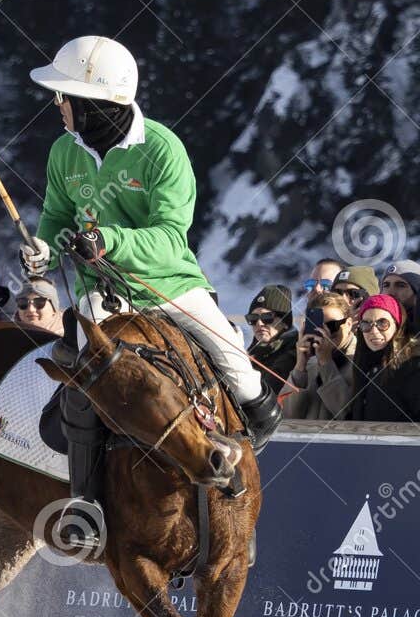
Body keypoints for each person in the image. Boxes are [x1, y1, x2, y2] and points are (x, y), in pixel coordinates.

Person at [19, 35, 282, 552]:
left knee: (242, 376)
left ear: (94, 103)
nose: (57, 106)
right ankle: (87, 504)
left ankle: (237, 500)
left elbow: (169, 236)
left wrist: (108, 239)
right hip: (102, 295)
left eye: (62, 96)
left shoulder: (161, 148)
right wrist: (43, 252)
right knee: (77, 370)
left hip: (168, 286)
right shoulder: (62, 151)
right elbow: (54, 218)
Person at [283, 291, 358, 421]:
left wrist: (326, 363)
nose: (325, 333)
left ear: (349, 324)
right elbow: (287, 415)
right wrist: (300, 366)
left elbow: (348, 414)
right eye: (318, 327)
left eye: (332, 326)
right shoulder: (311, 364)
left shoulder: (361, 361)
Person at [346, 295, 420, 422]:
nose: (374, 331)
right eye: (366, 324)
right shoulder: (362, 365)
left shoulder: (413, 366)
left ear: (397, 325)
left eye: (382, 323)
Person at [244, 284, 298, 387]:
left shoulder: (295, 352)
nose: (259, 323)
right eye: (253, 318)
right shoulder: (254, 352)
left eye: (267, 317)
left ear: (285, 322)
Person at [380, 262, 420, 331]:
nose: (391, 292)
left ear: (416, 292)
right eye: (386, 285)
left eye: (400, 285)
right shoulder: (370, 328)